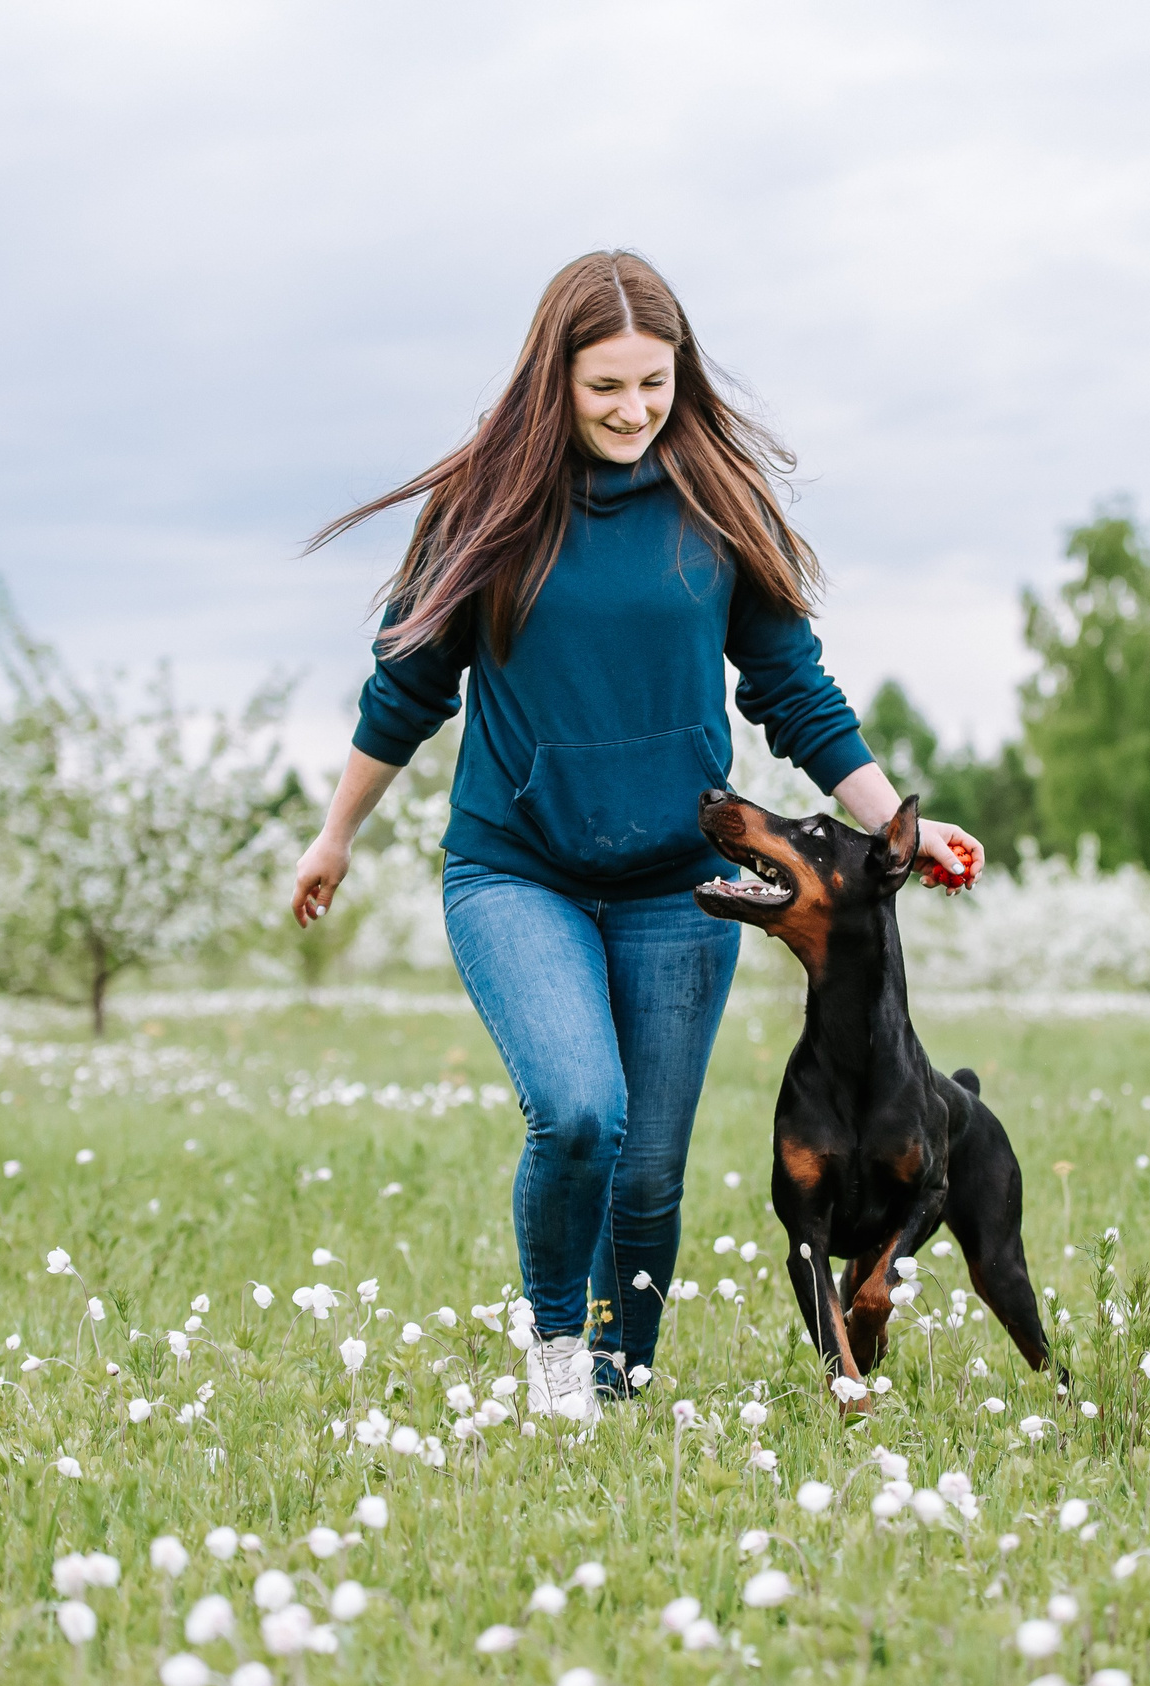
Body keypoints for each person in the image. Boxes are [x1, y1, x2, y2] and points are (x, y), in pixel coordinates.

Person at [290, 250, 983, 1424]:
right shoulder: (487, 505)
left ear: (681, 374)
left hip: (681, 883)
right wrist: (334, 834)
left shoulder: (717, 503)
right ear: (553, 378)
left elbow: (791, 689)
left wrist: (889, 821)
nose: (631, 410)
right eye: (604, 386)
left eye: (652, 384)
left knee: (651, 1170)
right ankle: (561, 1360)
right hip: (516, 867)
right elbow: (405, 686)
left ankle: (626, 1380)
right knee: (577, 1111)